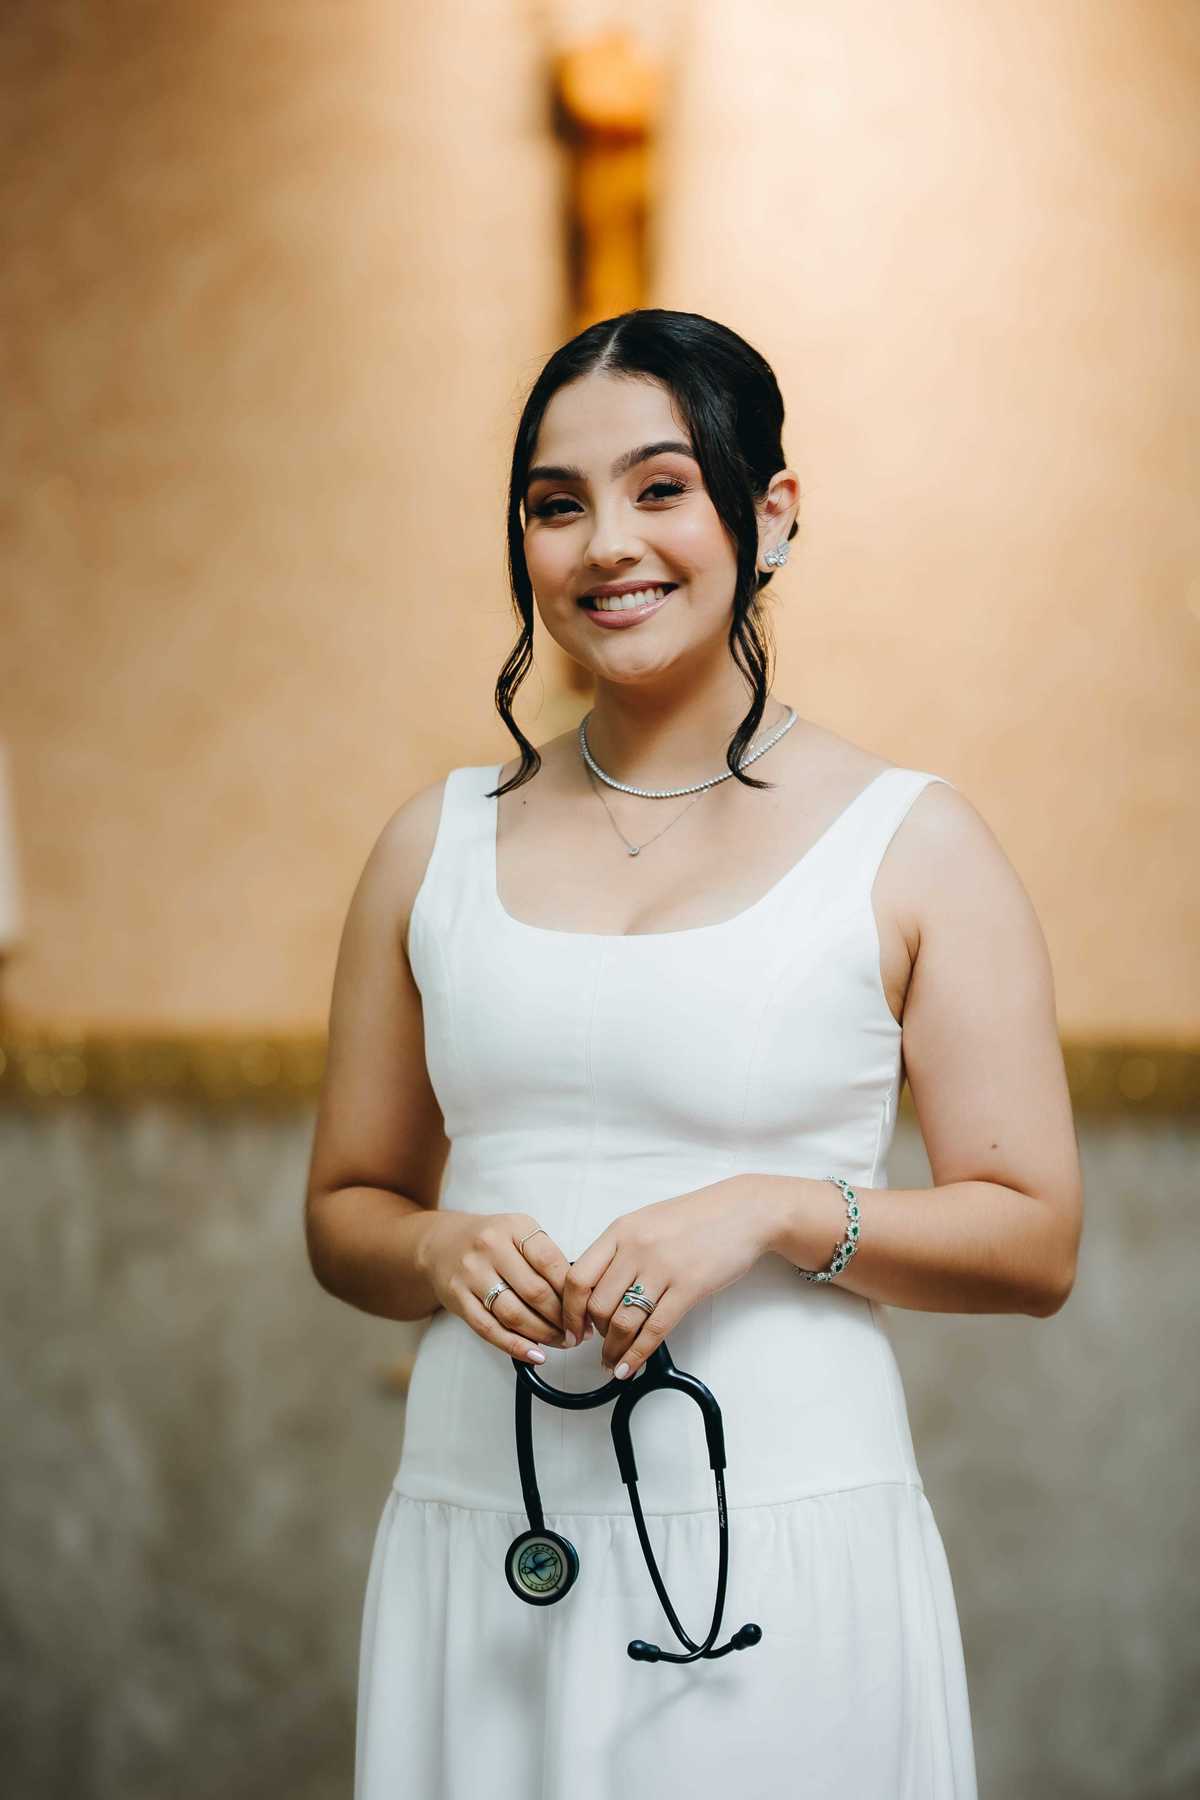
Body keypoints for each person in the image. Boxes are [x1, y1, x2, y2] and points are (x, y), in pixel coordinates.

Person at [305, 308, 1082, 1799]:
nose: (608, 544)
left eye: (660, 487)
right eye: (557, 504)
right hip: (487, 1524)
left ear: (768, 513)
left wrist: (772, 1211)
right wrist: (437, 1248)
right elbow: (347, 1211)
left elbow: (1035, 1239)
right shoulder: (430, 844)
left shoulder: (914, 842)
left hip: (780, 1527)